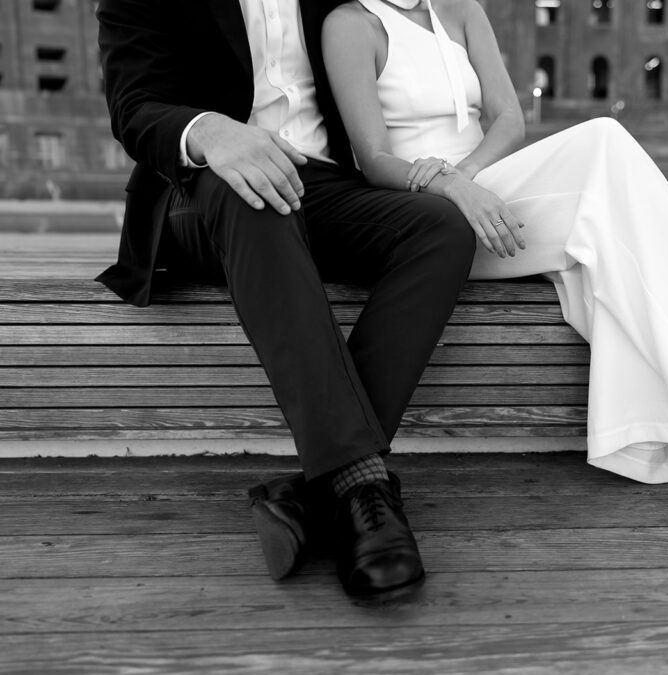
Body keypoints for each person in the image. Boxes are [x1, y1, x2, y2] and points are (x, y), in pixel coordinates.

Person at [319, 0, 668, 522]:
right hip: (431, 214)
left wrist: (473, 178)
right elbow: (374, 159)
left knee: (611, 246)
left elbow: (508, 118)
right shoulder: (351, 24)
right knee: (605, 147)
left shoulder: (460, 10)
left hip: (493, 189)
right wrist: (452, 188)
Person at [95, 0, 480, 600]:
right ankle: (361, 488)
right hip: (201, 186)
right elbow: (133, 108)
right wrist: (213, 133)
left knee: (440, 229)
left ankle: (312, 492)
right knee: (255, 195)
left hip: (323, 182)